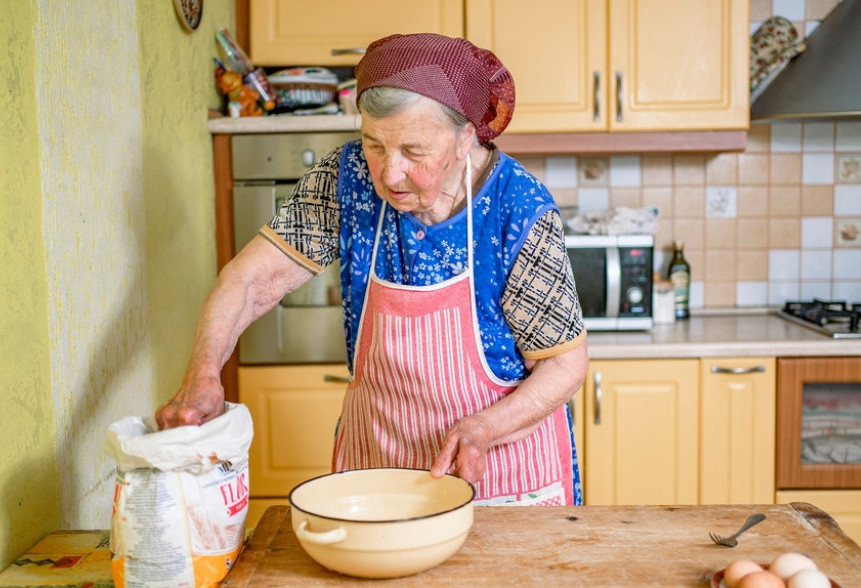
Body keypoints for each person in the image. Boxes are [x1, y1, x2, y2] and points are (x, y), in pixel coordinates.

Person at [156, 33, 589, 506]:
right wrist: (203, 373)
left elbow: (564, 364)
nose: (389, 172)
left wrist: (485, 427)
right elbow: (251, 278)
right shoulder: (349, 179)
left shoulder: (518, 208)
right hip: (379, 466)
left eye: (414, 151)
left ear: (466, 137)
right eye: (374, 145)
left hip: (504, 473)